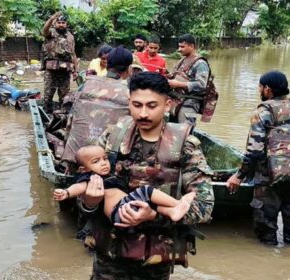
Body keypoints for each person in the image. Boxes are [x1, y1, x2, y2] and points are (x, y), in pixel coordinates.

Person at [77, 72, 214, 279]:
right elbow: (82, 192)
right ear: (129, 102)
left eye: (151, 106)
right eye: (136, 105)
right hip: (110, 257)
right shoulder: (111, 138)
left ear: (167, 105)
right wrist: (89, 201)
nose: (142, 114)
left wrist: (154, 215)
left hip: (154, 260)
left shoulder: (185, 145)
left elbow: (204, 205)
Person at [226, 70, 290, 246]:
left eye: (260, 87)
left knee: (266, 234)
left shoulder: (263, 112)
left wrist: (238, 176)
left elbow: (254, 151)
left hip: (270, 178)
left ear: (267, 89)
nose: (259, 90)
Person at [54, 145, 196, 224]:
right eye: (96, 161)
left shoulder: (108, 175)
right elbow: (79, 187)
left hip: (125, 209)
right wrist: (66, 193)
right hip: (119, 212)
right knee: (146, 190)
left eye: (105, 159)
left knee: (148, 202)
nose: (104, 163)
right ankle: (177, 203)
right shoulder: (90, 178)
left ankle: (172, 211)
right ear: (83, 169)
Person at [167, 34, 210, 127]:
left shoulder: (201, 63)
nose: (179, 49)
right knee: (171, 126)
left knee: (185, 128)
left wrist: (179, 84)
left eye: (182, 46)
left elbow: (201, 85)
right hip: (177, 99)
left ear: (192, 46)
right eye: (179, 46)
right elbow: (175, 74)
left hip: (191, 101)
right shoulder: (182, 60)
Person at [41, 12, 78, 113]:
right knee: (48, 94)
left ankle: (63, 116)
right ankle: (46, 115)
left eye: (63, 22)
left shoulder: (70, 37)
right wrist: (51, 18)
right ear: (55, 24)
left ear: (66, 24)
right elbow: (44, 30)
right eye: (59, 22)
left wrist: (76, 71)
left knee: (65, 96)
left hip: (65, 71)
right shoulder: (51, 33)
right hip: (51, 70)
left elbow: (73, 54)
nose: (61, 24)